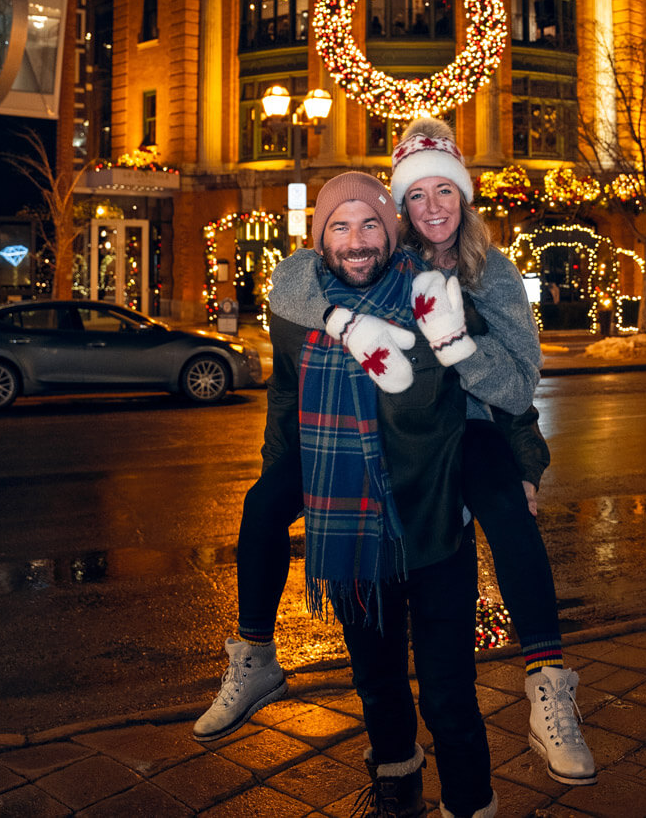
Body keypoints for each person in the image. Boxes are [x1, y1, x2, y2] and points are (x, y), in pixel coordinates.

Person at [260, 119, 596, 786]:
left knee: (505, 508)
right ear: (401, 206)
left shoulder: (491, 273)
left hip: (467, 438)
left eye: (446, 190)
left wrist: (459, 353)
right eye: (418, 194)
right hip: (375, 453)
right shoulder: (382, 253)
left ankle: (548, 679)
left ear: (465, 198)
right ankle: (383, 750)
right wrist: (340, 320)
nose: (434, 206)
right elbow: (296, 280)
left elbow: (520, 385)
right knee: (372, 650)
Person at [199, 173, 497, 818]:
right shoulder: (299, 311)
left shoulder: (434, 297)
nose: (356, 241)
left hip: (433, 525)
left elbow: (492, 397)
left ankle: (470, 806)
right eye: (340, 226)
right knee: (378, 684)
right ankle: (397, 791)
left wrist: (522, 468)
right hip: (352, 534)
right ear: (321, 239)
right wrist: (280, 481)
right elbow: (284, 402)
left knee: (449, 695)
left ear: (392, 234)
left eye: (370, 225)